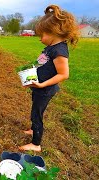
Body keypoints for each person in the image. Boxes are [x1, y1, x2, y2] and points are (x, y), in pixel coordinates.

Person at [19, 4, 80, 152]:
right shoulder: (51, 47)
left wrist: (42, 84)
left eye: (42, 35)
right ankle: (33, 130)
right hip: (39, 87)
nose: (40, 39)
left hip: (45, 89)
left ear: (54, 32)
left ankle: (36, 144)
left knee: (37, 114)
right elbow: (43, 64)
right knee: (35, 110)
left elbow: (64, 74)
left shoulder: (60, 50)